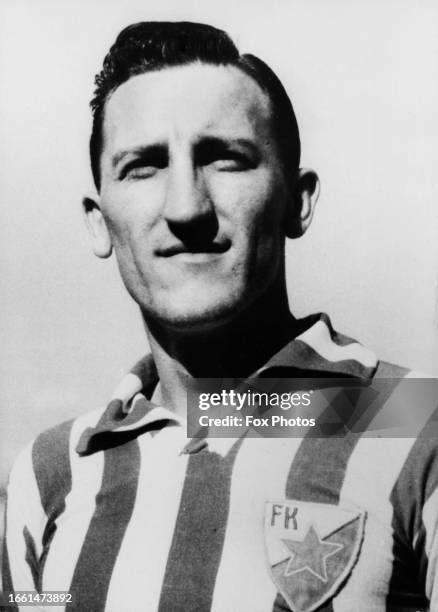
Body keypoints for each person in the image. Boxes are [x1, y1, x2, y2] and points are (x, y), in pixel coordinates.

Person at [2, 21, 437, 612]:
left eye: (225, 159)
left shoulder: (414, 423)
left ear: (297, 201)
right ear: (99, 222)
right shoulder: (50, 474)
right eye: (143, 166)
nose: (186, 207)